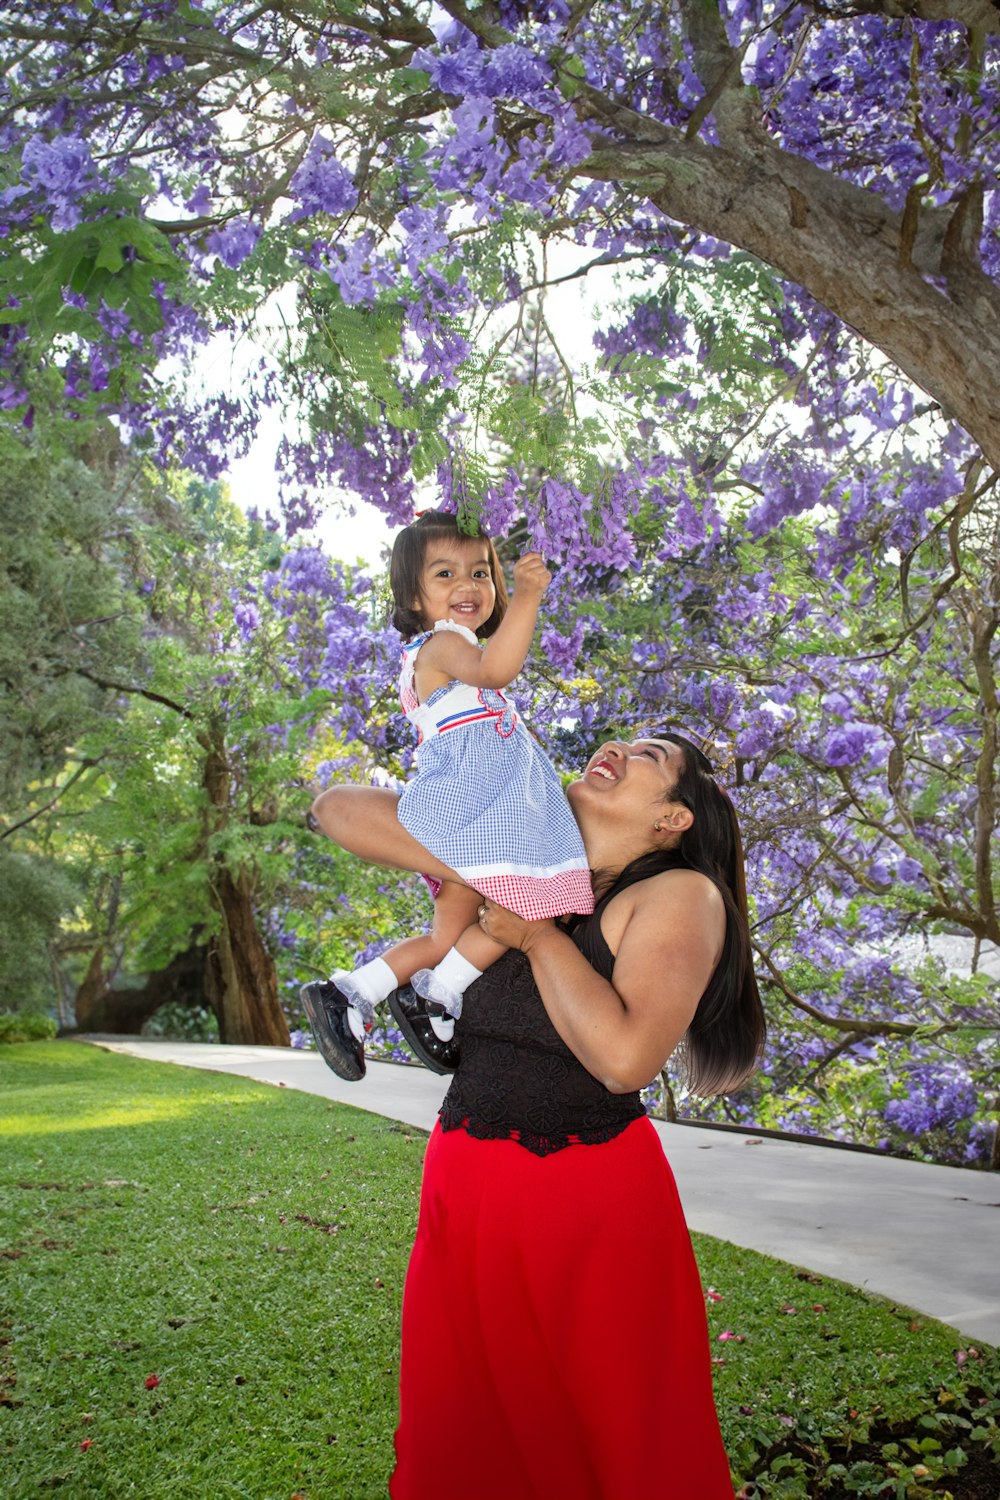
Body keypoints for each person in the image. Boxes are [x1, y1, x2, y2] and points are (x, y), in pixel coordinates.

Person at [390, 732, 766, 1500]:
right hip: (462, 1185)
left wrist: (534, 938)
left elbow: (626, 1059)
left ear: (673, 820)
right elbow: (336, 811)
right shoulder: (527, 871)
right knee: (465, 1426)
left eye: (651, 757)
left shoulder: (680, 897)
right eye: (622, 737)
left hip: (584, 1201)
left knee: (618, 1436)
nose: (618, 746)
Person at [302, 510, 593, 1081]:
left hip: (482, 808)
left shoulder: (449, 651)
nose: (467, 585)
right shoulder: (442, 645)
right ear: (414, 596)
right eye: (444, 574)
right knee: (539, 900)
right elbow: (498, 668)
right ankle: (437, 992)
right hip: (470, 815)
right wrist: (530, 596)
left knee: (449, 934)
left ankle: (362, 994)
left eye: (481, 573)